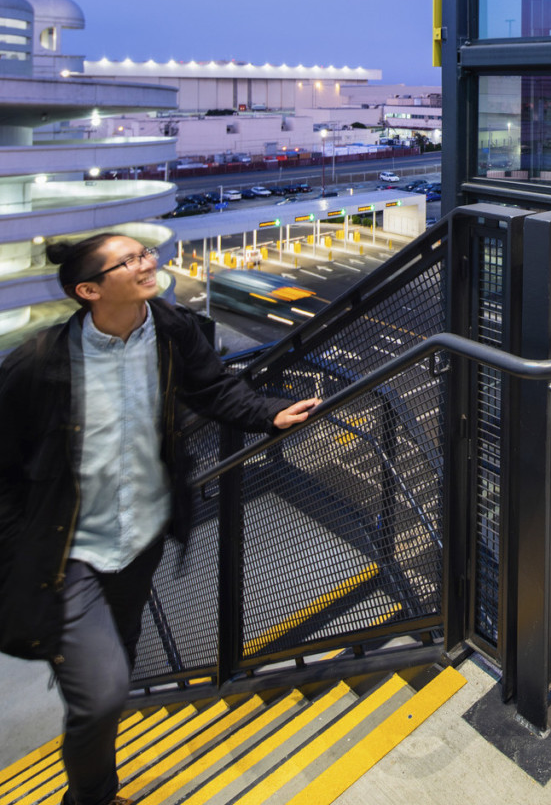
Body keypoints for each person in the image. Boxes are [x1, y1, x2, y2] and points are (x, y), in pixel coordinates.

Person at [0, 232, 319, 805]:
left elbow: (215, 391)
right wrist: (13, 552)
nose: (149, 262)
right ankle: (90, 798)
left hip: (140, 538)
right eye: (130, 260)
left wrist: (271, 415)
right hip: (68, 550)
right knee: (101, 694)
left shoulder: (173, 330)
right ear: (89, 290)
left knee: (113, 666)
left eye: (145, 253)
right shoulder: (39, 363)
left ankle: (78, 674)